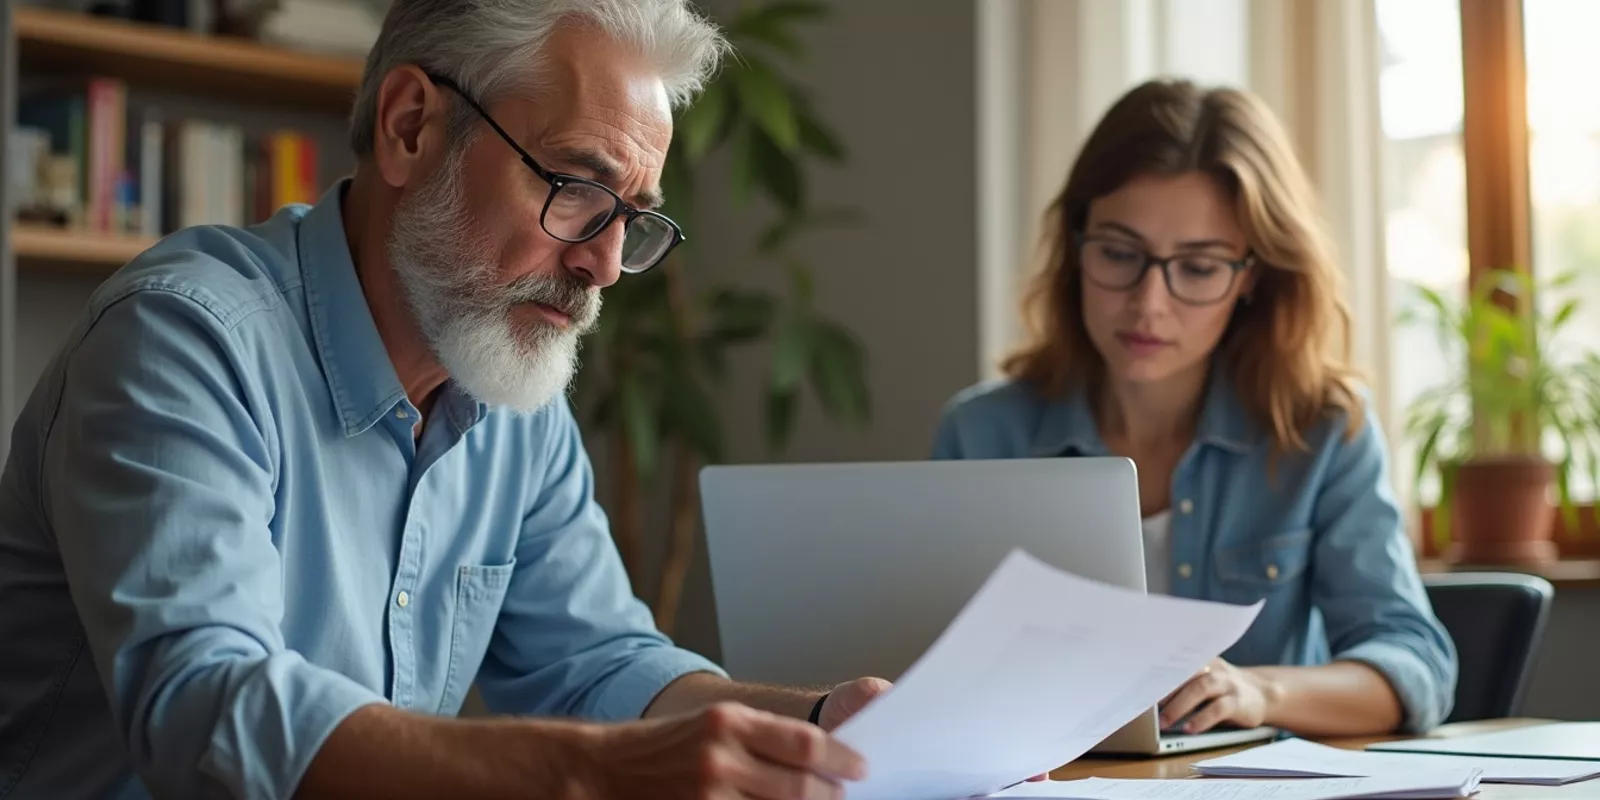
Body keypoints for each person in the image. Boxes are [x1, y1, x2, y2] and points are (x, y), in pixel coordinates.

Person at [0, 2, 890, 797]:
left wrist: (822, 732)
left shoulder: (511, 388)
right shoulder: (181, 339)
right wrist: (593, 772)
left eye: (632, 217)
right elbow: (205, 708)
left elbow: (595, 665)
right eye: (578, 189)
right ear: (411, 127)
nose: (605, 265)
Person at [932, 80, 1457, 738]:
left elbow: (1416, 666)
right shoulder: (981, 434)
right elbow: (933, 670)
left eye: (1199, 267)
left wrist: (1257, 690)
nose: (1149, 303)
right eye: (1120, 254)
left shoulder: (1321, 431)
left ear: (1252, 277)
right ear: (1076, 245)